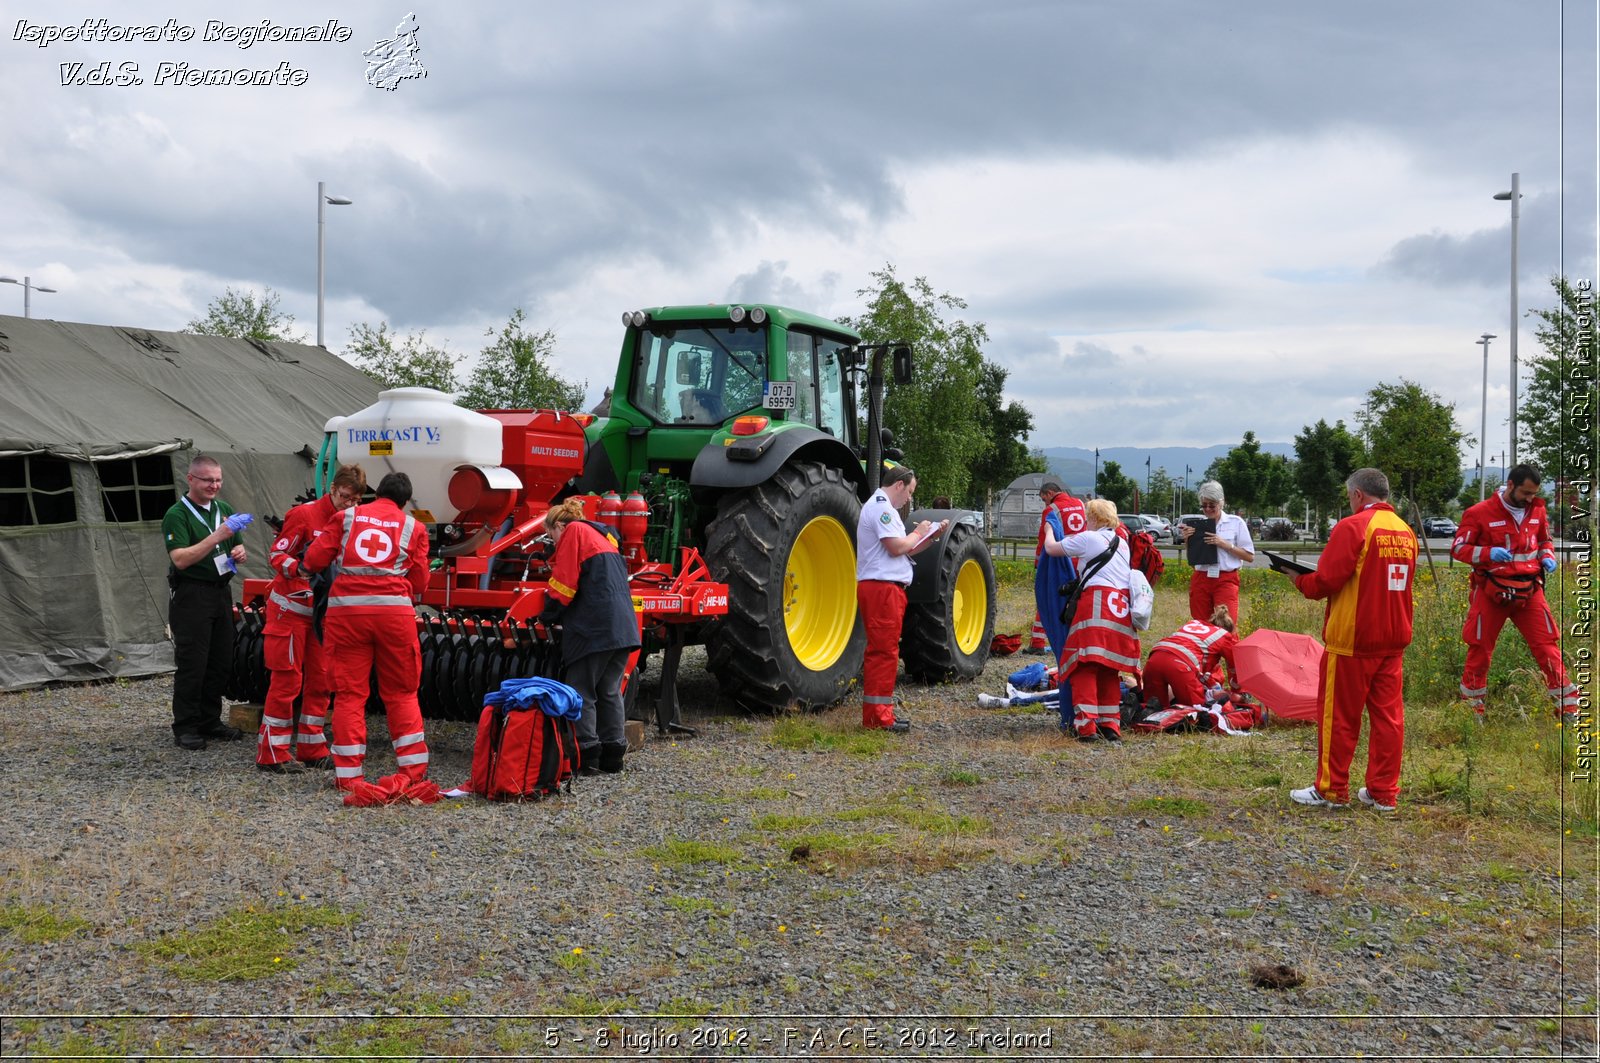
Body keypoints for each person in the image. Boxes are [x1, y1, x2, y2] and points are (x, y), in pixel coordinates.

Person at [1287, 468, 1416, 811]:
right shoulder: (1405, 531)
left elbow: (1326, 581)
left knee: (1339, 716)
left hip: (1353, 639)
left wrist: (1297, 579)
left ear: (1358, 495)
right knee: (1388, 720)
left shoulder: (1353, 526)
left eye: (1349, 497)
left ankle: (1331, 789)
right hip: (1393, 638)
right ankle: (1383, 793)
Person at [294, 472, 431, 792]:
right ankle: (413, 772)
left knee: (349, 695)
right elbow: (422, 584)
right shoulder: (415, 527)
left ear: (375, 493)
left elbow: (313, 560)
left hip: (347, 617)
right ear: (405, 502)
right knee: (401, 693)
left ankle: (348, 775)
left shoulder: (346, 517)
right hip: (394, 618)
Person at [254, 465, 366, 774]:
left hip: (323, 615)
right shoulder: (303, 516)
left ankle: (312, 747)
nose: (350, 504)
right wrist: (300, 569)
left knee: (321, 681)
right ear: (332, 489)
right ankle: (272, 753)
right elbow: (277, 556)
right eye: (345, 497)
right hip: (290, 611)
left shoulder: (353, 521)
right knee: (287, 681)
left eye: (356, 499)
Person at [1452, 464, 1578, 720]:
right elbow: (1458, 548)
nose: (1530, 499)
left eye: (1534, 494)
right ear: (1510, 485)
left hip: (1530, 590)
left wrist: (1547, 556)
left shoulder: (1538, 511)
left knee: (1547, 646)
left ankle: (1568, 709)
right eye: (1526, 493)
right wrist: (1487, 553)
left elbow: (1544, 540)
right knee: (1480, 649)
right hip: (1491, 590)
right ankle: (1471, 711)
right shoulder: (1478, 513)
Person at [538, 497, 642, 774]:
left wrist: (546, 615)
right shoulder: (604, 537)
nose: (554, 543)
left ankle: (588, 755)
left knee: (582, 691)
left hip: (594, 630)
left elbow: (564, 584)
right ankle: (614, 756)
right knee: (609, 691)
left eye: (552, 536)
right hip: (623, 628)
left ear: (559, 525)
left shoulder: (574, 532)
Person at [162, 454, 252, 751]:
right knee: (193, 662)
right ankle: (186, 725)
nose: (214, 485)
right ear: (191, 479)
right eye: (208, 480)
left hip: (220, 591)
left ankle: (209, 719)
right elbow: (181, 559)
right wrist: (218, 536)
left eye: (218, 480)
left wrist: (238, 550)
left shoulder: (223, 509)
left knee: (220, 659)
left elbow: (234, 543)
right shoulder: (177, 514)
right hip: (192, 594)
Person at [856, 466, 947, 732]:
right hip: (883, 589)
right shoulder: (882, 508)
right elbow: (897, 546)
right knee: (884, 652)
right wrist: (919, 532)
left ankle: (880, 714)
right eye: (909, 492)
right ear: (898, 485)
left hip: (885, 587)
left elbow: (905, 550)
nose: (909, 498)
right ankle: (878, 718)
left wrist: (930, 538)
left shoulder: (883, 508)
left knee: (885, 651)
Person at [1043, 498, 1139, 742]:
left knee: (1083, 665)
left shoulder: (1089, 538)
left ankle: (1086, 727)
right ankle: (1111, 727)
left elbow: (1052, 549)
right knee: (1108, 668)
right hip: (1120, 610)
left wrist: (1049, 529)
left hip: (1096, 606)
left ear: (1095, 518)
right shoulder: (1123, 543)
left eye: (1089, 517)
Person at [1178, 481, 1254, 624]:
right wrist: (1188, 541)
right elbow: (1193, 563)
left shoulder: (1236, 522)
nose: (1207, 509)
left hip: (1225, 579)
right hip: (1201, 578)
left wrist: (1225, 544)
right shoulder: (1198, 525)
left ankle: (1227, 647)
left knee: (1225, 624)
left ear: (1221, 502)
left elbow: (1249, 556)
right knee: (1200, 625)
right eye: (1204, 505)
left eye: (1211, 505)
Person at [1142, 605, 1238, 708]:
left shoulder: (1193, 623)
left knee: (1153, 707)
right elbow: (1236, 667)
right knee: (1196, 711)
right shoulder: (1224, 636)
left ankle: (1132, 709)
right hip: (1180, 665)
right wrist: (1237, 691)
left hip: (1154, 659)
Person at [1029, 480, 1086, 653]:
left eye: (1043, 498)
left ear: (1050, 493)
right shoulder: (1080, 504)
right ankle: (1078, 639)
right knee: (1080, 599)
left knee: (1048, 598)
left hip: (1063, 559)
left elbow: (1043, 538)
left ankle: (1037, 642)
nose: (1044, 502)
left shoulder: (1051, 510)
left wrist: (1039, 563)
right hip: (1082, 560)